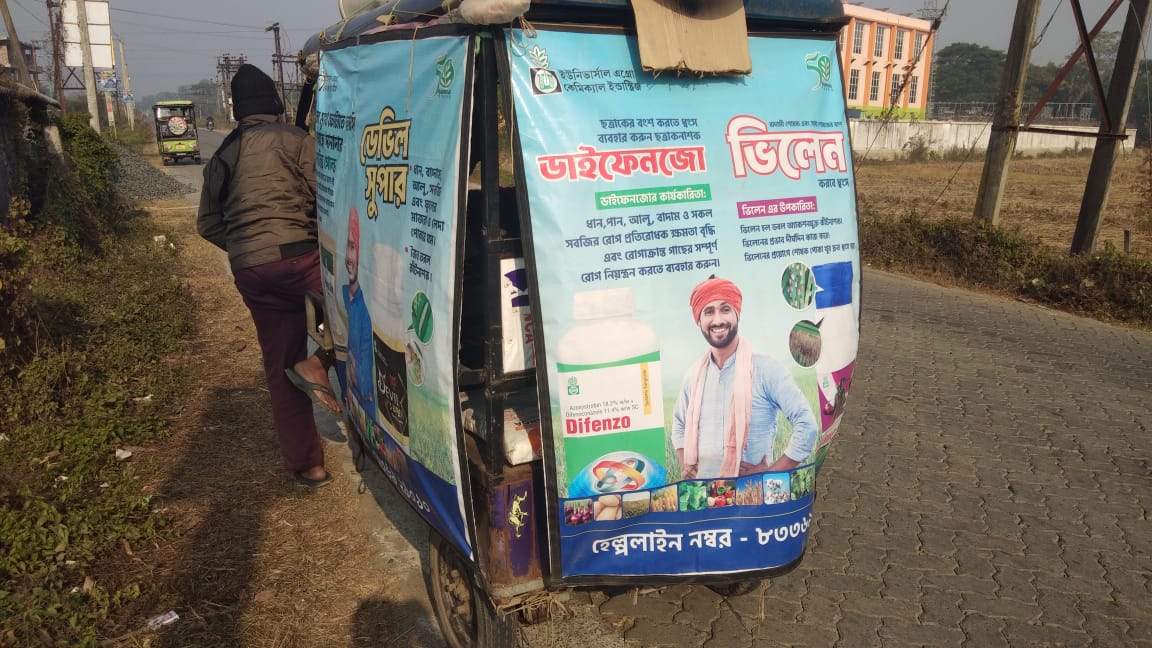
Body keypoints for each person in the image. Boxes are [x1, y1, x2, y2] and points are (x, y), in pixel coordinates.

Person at [197, 64, 340, 488]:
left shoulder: (222, 155)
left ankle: (309, 466)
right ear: (276, 106)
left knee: (280, 366)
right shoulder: (296, 140)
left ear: (239, 112)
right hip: (299, 259)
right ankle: (319, 363)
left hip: (251, 272)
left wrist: (248, 249)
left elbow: (207, 224)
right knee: (359, 318)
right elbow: (327, 196)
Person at [671, 276, 819, 480]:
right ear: (699, 320)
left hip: (753, 493)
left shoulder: (766, 369)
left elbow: (807, 424)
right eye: (708, 312)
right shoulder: (693, 376)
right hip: (703, 493)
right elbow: (679, 424)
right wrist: (685, 464)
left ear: (737, 314)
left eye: (725, 309)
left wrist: (770, 474)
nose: (718, 320)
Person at [343, 206, 375, 415]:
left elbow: (365, 377)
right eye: (348, 246)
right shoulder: (344, 293)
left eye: (353, 247)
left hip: (366, 406)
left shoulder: (365, 311)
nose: (348, 256)